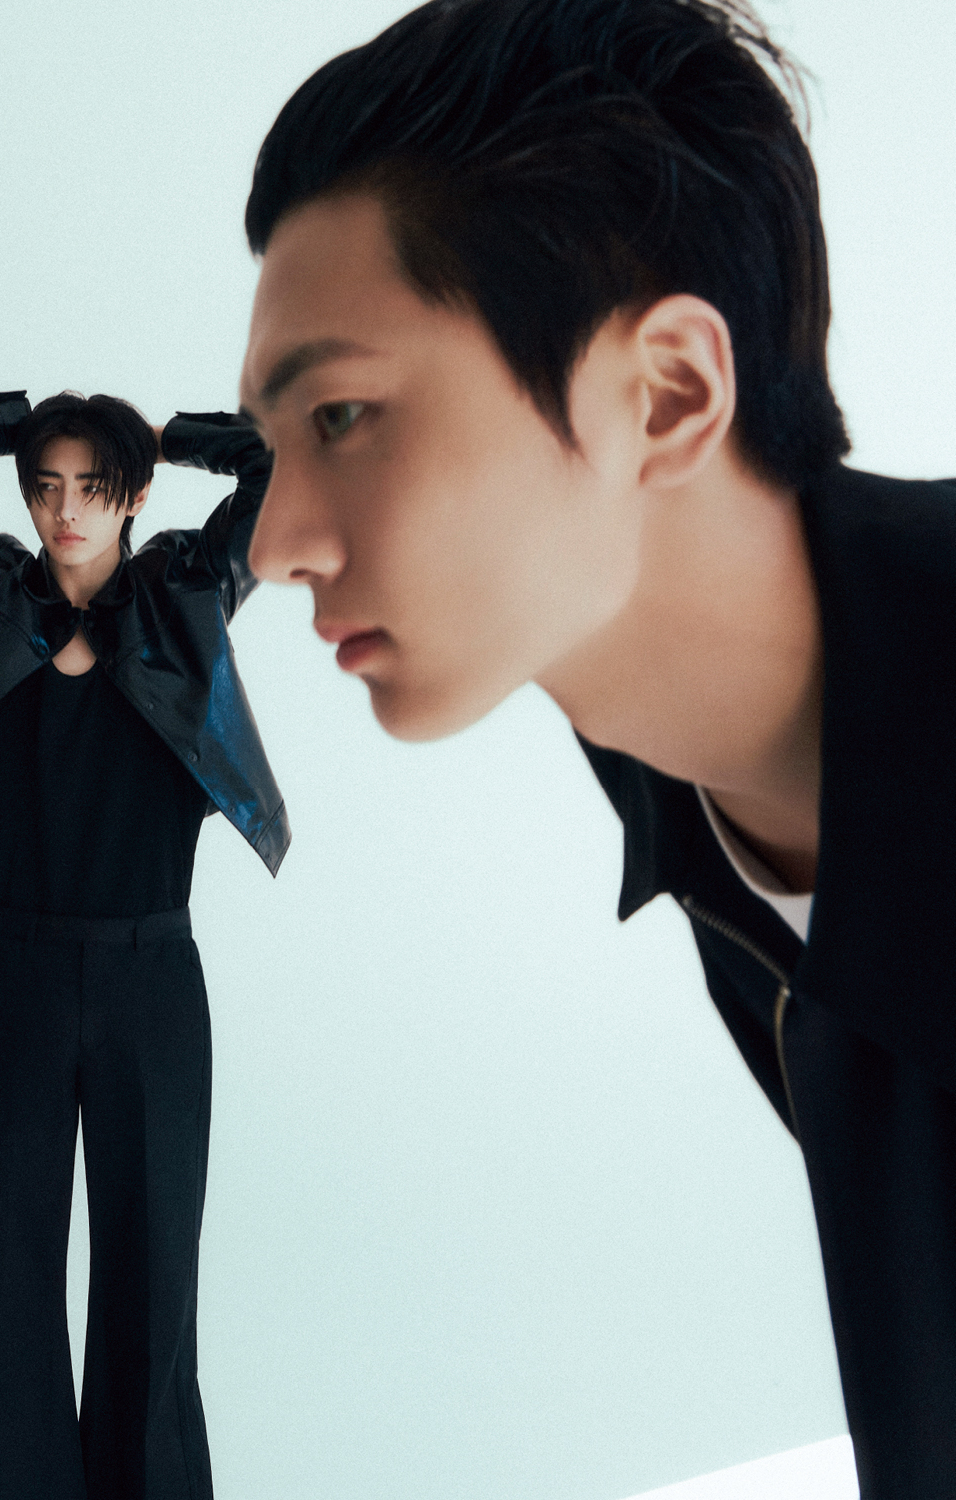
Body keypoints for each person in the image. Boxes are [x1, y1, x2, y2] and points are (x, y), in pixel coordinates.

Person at [236, 0, 956, 1492]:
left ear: (668, 393)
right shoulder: (690, 781)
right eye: (274, 448)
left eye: (345, 415)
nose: (275, 541)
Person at [0, 390, 287, 1500]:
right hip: (14, 974)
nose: (65, 510)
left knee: (153, 1286)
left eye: (94, 487)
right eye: (45, 486)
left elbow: (277, 466)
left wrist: (163, 438)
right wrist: (22, 423)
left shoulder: (187, 595)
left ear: (134, 498)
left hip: (153, 979)